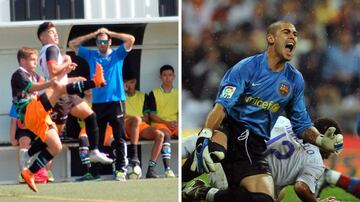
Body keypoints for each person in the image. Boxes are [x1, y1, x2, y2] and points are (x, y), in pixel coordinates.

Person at [186, 20, 343, 202]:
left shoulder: (294, 80)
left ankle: (200, 192)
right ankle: (180, 184)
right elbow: (221, 106)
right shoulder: (246, 67)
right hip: (230, 130)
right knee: (214, 151)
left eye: (295, 34)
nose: (293, 36)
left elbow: (302, 123)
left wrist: (320, 140)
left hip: (255, 146)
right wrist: (206, 133)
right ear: (270, 38)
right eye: (286, 32)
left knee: (265, 200)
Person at [182, 116, 342, 202]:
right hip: (239, 177)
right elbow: (302, 188)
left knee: (279, 193)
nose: (332, 151)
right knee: (266, 197)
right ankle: (202, 192)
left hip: (222, 148)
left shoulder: (285, 121)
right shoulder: (315, 162)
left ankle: (181, 179)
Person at [11, 47, 105, 192]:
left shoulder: (34, 74)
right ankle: (95, 83)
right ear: (22, 61)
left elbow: (53, 82)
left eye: (36, 59)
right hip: (28, 111)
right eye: (32, 60)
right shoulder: (18, 74)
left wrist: (66, 74)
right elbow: (33, 87)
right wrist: (52, 83)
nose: (36, 62)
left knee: (56, 146)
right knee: (59, 89)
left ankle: (29, 171)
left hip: (39, 114)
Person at [37, 22, 112, 165]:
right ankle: (34, 164)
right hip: (59, 96)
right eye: (51, 32)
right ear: (42, 37)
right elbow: (53, 70)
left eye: (55, 31)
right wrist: (67, 61)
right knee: (53, 140)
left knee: (90, 115)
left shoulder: (46, 50)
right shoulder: (51, 48)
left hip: (65, 92)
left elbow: (55, 76)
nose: (56, 34)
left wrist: (71, 76)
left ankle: (94, 151)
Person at [68, 27, 135, 181]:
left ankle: (120, 170)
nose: (102, 44)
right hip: (98, 103)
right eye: (99, 41)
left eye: (105, 41)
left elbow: (131, 39)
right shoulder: (91, 55)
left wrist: (111, 33)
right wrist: (93, 34)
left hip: (116, 101)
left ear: (110, 42)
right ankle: (94, 172)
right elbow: (72, 44)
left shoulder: (118, 54)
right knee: (96, 140)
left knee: (119, 137)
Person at [122, 74, 168, 178]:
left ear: (135, 82)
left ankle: (151, 170)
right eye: (126, 83)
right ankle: (134, 156)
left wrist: (137, 118)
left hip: (140, 125)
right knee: (136, 119)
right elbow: (120, 115)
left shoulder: (143, 96)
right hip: (125, 124)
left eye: (132, 82)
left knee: (160, 135)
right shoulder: (119, 95)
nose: (129, 85)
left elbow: (147, 118)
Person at [148, 64, 178, 178]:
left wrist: (177, 123)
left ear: (174, 77)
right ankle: (168, 169)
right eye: (165, 75)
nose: (167, 78)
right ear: (161, 77)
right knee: (165, 135)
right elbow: (152, 115)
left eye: (170, 75)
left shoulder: (178, 93)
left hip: (175, 124)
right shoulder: (154, 93)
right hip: (160, 124)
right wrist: (167, 123)